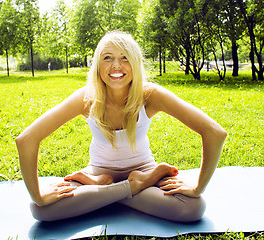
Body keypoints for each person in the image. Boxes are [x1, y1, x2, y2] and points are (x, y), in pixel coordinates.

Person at [15, 31, 227, 222]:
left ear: (135, 64)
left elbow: (215, 132)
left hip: (144, 170)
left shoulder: (151, 95)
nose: (116, 65)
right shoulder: (86, 98)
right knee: (40, 210)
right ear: (98, 65)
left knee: (193, 207)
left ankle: (105, 191)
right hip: (98, 173)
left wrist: (199, 187)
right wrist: (39, 197)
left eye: (125, 58)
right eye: (108, 58)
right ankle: (124, 186)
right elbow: (26, 140)